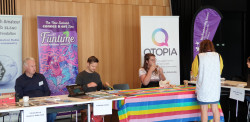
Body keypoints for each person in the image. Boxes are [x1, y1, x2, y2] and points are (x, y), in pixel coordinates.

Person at [15, 57, 57, 122]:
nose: (34, 68)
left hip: (43, 103)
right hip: (29, 105)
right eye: (32, 66)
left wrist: (43, 100)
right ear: (25, 67)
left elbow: (47, 91)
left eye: (35, 66)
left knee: (53, 113)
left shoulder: (40, 77)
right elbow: (19, 96)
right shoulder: (19, 80)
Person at [191, 40, 223, 122]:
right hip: (215, 88)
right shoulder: (218, 56)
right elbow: (220, 71)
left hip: (203, 88)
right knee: (215, 109)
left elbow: (194, 73)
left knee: (204, 110)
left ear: (201, 47)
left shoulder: (199, 57)